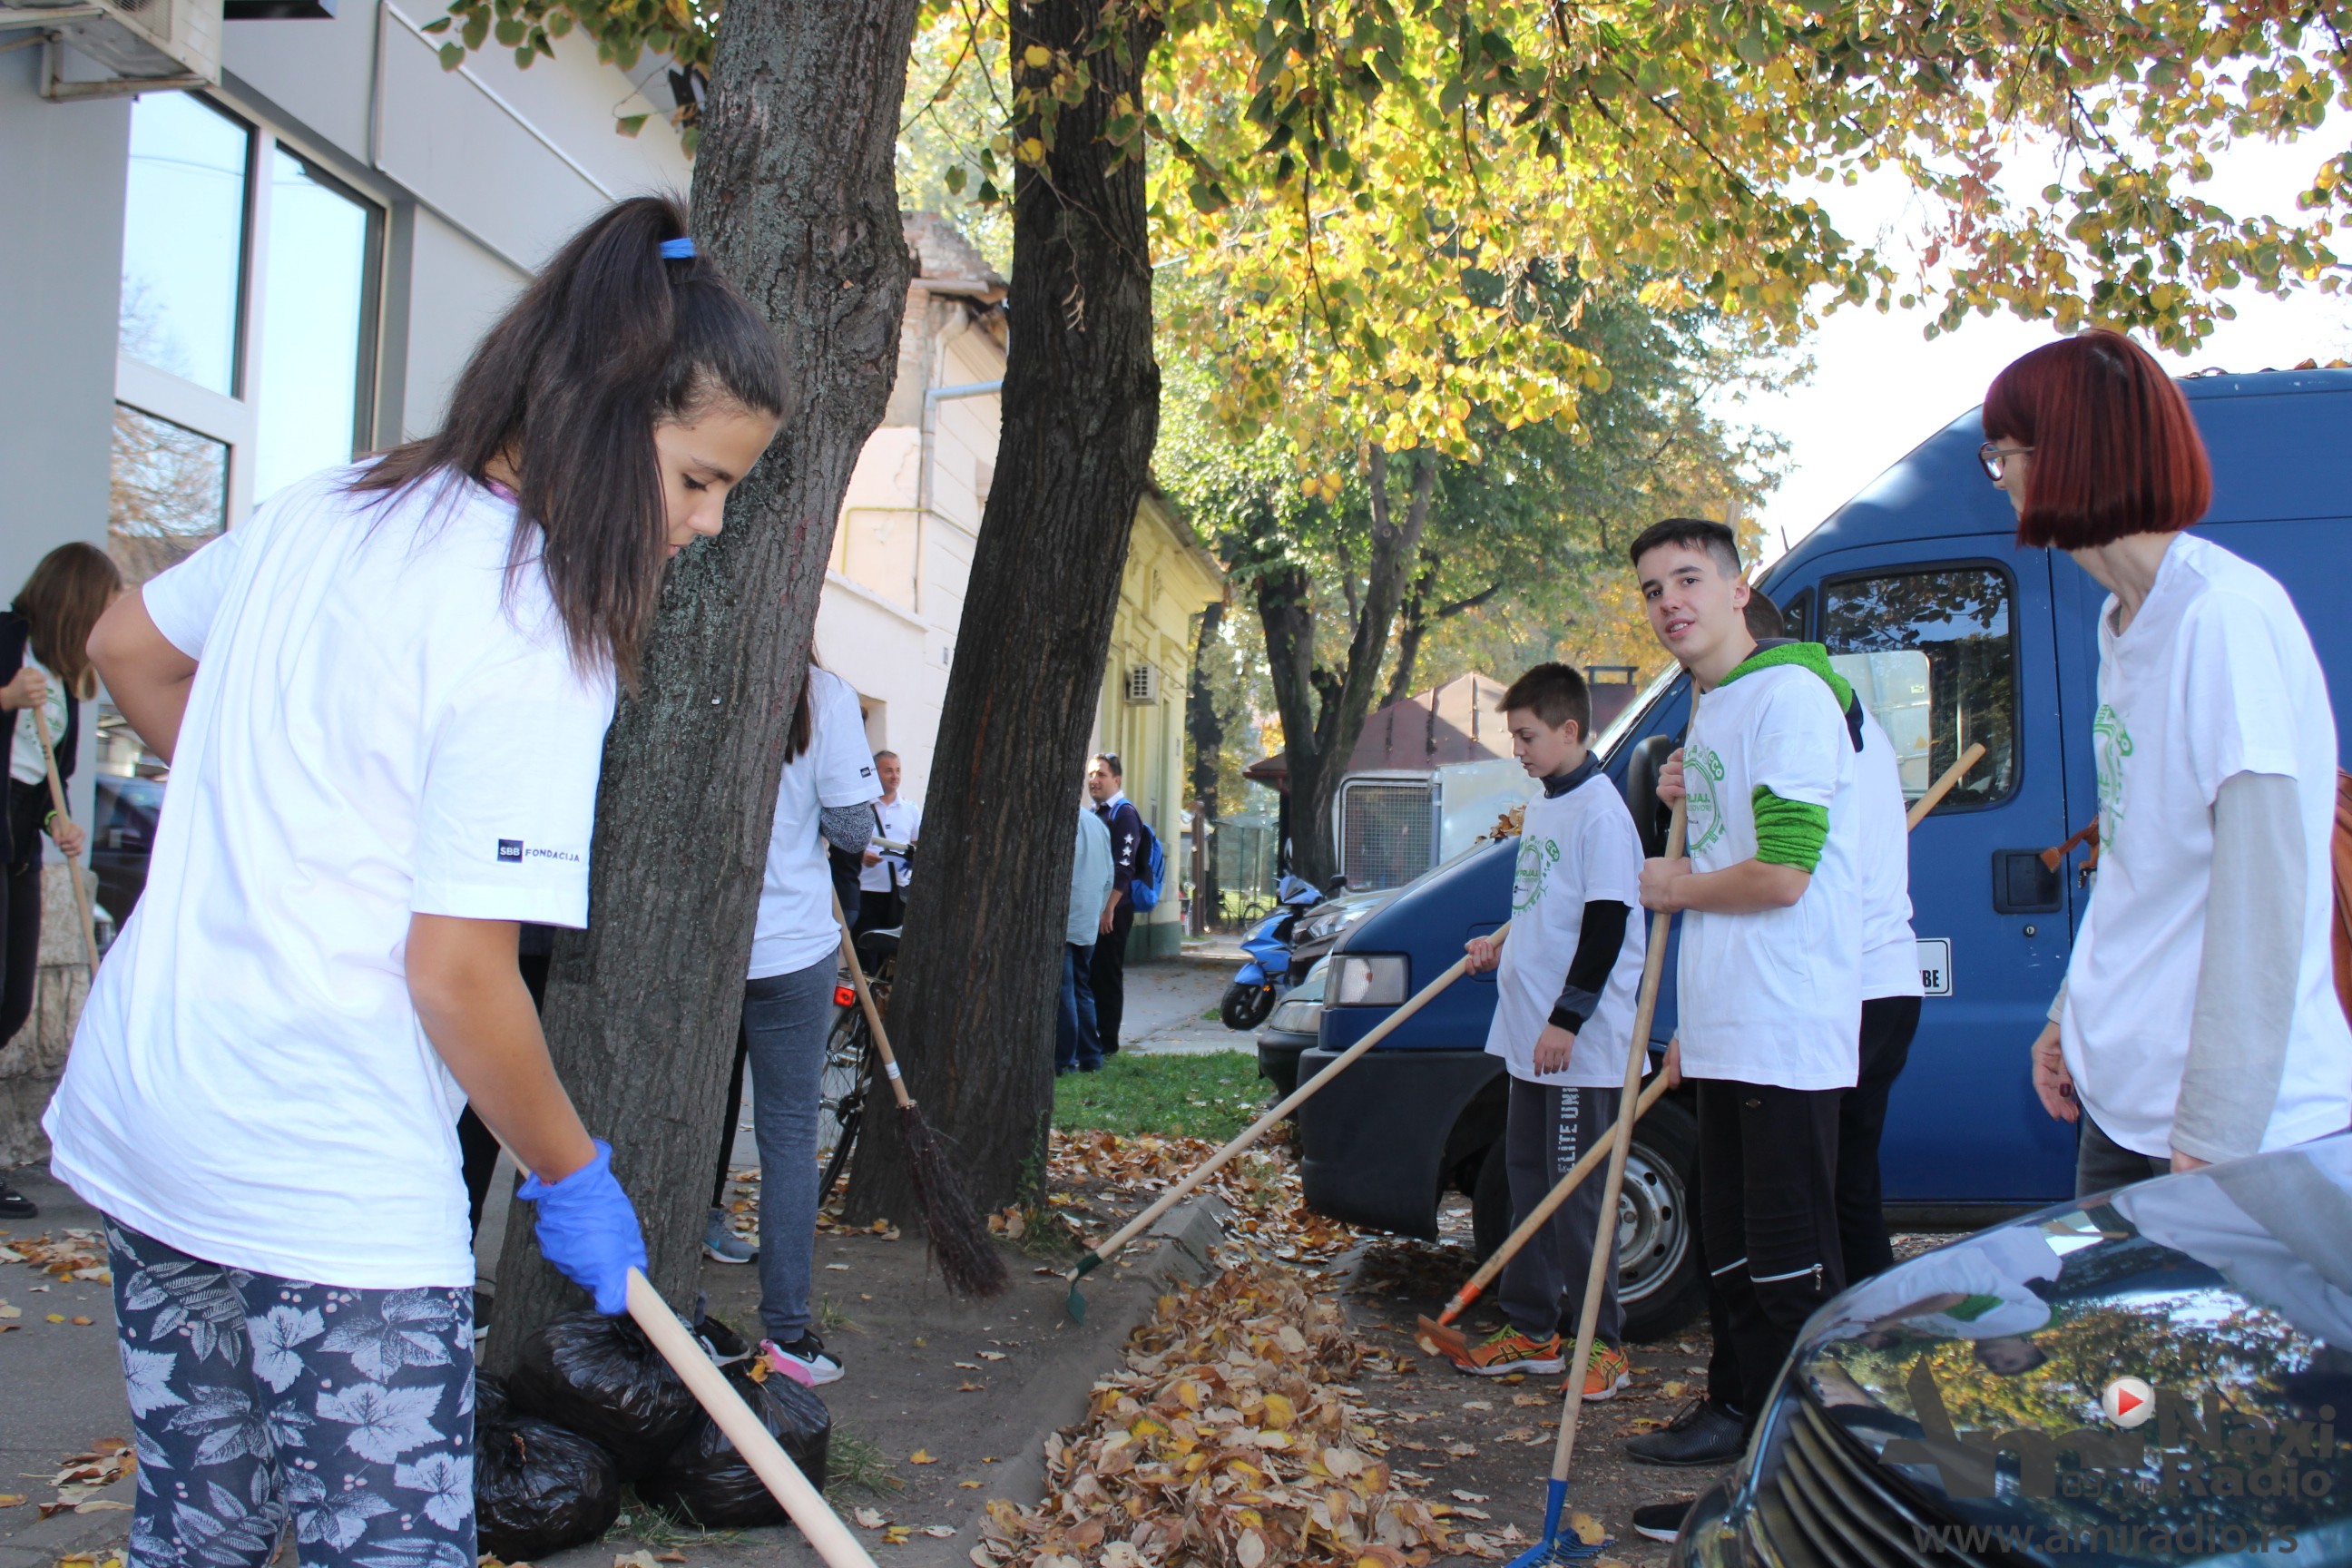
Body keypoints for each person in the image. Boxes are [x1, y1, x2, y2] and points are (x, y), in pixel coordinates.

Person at [43, 195, 786, 1568]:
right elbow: (455, 978)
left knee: (201, 1529)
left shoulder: (336, 501)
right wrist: (570, 1171)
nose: (710, 522)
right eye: (698, 479)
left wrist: (282, 801)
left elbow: (125, 645)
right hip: (320, 1167)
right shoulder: (531, 629)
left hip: (153, 1109)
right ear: (604, 411)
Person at [1990, 330, 2352, 1192]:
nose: (1999, 478)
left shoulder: (2222, 618)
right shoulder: (2125, 622)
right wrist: (2071, 1012)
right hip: (2126, 1102)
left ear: (2065, 455)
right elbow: (2137, 856)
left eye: (2003, 454)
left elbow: (2265, 894)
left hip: (2228, 1127)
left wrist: (2216, 1132)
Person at [1632, 517, 1862, 1436]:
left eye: (1688, 579)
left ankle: (1811, 1462)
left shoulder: (1791, 696)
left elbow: (1783, 875)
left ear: (1738, 590)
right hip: (1728, 1023)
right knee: (1726, 1247)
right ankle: (1739, 1421)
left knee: (1787, 1263)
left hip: (1785, 1025)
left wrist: (1675, 885)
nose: (1669, 603)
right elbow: (1737, 848)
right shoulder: (1712, 704)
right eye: (1653, 590)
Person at [1445, 663, 1644, 1398]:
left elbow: (1607, 924)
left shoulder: (1601, 813)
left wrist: (1568, 1018)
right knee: (1528, 1184)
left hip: (1576, 1047)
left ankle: (1603, 1346)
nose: (1518, 750)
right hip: (1528, 1036)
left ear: (1569, 730)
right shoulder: (1548, 804)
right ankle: (1533, 1332)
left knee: (1575, 1198)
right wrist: (1504, 945)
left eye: (1527, 736)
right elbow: (1547, 907)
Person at [740, 659, 879, 1385]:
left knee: (687, 1124)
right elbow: (853, 828)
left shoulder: (679, 657)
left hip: (700, 947)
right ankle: (787, 1333)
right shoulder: (822, 693)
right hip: (790, 944)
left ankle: (672, 1312)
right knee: (789, 1137)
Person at [0, 544, 118, 1220]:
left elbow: (42, 781)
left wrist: (58, 822)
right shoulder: (6, 641)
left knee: (11, 1004)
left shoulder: (65, 679)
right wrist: (4, 698)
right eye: (104, 602)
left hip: (17, 850)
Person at [1087, 752, 1145, 1054]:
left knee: (1107, 975)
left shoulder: (1123, 814)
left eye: (1101, 774)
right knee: (1092, 975)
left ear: (1117, 780)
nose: (1093, 780)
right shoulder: (1095, 813)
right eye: (1091, 774)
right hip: (1095, 908)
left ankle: (1108, 1043)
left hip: (1114, 911)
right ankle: (1091, 1040)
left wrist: (1109, 908)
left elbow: (1125, 867)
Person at [1060, 795, 1114, 1074]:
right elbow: (1109, 875)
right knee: (1081, 988)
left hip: (1065, 918)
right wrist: (1098, 909)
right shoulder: (1096, 824)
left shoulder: (1062, 822)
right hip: (1087, 919)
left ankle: (1064, 1061)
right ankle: (1091, 1057)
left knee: (1065, 992)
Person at [857, 749, 920, 933]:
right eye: (888, 771)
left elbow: (917, 846)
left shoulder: (911, 809)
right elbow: (846, 846)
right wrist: (861, 857)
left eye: (898, 770)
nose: (895, 776)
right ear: (875, 773)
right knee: (864, 943)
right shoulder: (861, 808)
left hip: (900, 891)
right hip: (866, 889)